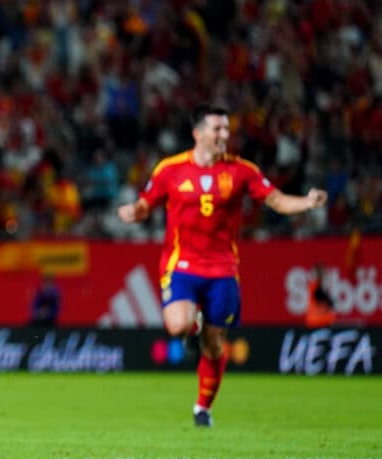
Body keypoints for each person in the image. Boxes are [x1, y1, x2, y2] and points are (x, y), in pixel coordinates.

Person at [118, 103, 327, 427]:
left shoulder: (241, 170)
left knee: (214, 345)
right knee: (177, 325)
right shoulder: (170, 169)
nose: (224, 135)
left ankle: (203, 408)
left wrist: (307, 203)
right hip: (181, 264)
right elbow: (146, 204)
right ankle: (194, 324)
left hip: (223, 269)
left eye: (227, 129)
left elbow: (275, 200)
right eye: (217, 129)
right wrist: (133, 212)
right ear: (198, 133)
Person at [304, 263, 336, 329]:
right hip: (317, 322)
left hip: (322, 321)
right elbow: (326, 301)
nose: (323, 275)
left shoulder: (319, 286)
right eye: (321, 273)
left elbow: (330, 303)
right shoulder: (315, 287)